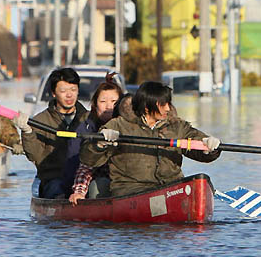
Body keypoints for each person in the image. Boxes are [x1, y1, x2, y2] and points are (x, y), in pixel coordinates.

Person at [79, 80, 221, 199]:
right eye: (162, 104)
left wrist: (209, 147)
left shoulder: (177, 126)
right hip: (131, 191)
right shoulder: (119, 125)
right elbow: (88, 159)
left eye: (168, 103)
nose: (167, 108)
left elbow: (198, 144)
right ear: (147, 107)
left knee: (200, 180)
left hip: (170, 188)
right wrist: (100, 144)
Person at [16, 66, 88, 198]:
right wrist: (27, 132)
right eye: (63, 91)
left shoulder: (88, 119)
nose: (69, 95)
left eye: (73, 90)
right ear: (54, 93)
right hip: (54, 179)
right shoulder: (40, 121)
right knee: (56, 191)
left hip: (83, 180)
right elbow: (35, 156)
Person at [69, 74, 123, 205]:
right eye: (103, 102)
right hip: (100, 180)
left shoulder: (130, 126)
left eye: (114, 102)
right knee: (97, 186)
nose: (108, 107)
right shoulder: (86, 128)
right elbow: (86, 165)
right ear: (95, 105)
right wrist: (79, 192)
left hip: (126, 182)